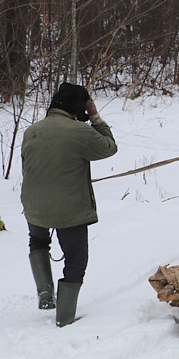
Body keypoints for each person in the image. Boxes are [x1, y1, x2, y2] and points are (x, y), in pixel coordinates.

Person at [21, 83, 118, 327]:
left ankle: (45, 290)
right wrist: (95, 116)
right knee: (75, 261)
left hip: (33, 205)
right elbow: (109, 147)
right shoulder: (80, 131)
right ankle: (64, 319)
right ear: (79, 107)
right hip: (69, 210)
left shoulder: (31, 131)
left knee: (39, 241)